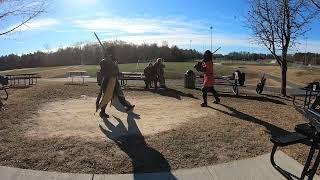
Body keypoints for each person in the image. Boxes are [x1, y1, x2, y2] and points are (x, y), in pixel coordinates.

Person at [96, 52, 135, 118]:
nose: (110, 57)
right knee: (107, 97)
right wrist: (112, 66)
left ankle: (127, 106)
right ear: (107, 55)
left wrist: (118, 73)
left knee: (120, 95)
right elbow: (106, 72)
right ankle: (102, 112)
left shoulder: (112, 62)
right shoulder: (103, 62)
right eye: (109, 55)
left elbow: (115, 71)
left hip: (114, 81)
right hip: (107, 82)